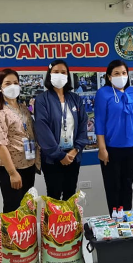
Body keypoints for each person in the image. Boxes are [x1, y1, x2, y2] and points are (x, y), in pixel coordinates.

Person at [34, 60, 89, 201]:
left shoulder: (75, 99)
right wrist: (59, 155)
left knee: (70, 194)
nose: (60, 75)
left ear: (68, 75)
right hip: (52, 158)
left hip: (73, 155)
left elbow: (83, 125)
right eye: (56, 72)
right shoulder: (42, 100)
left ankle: (69, 223)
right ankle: (54, 223)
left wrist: (75, 150)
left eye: (63, 72)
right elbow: (42, 128)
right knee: (54, 196)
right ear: (49, 75)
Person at [0, 68, 40, 213]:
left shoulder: (23, 108)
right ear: (0, 87)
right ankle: (11, 236)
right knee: (13, 208)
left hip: (28, 164)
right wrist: (12, 173)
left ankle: (26, 236)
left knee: (27, 207)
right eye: (8, 83)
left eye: (15, 83)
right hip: (11, 168)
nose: (13, 86)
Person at [94, 60, 133, 213]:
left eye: (123, 73)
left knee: (127, 185)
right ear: (109, 76)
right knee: (113, 187)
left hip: (131, 147)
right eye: (116, 73)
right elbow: (99, 122)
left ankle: (127, 219)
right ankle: (115, 221)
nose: (121, 76)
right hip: (111, 148)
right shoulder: (103, 93)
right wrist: (102, 148)